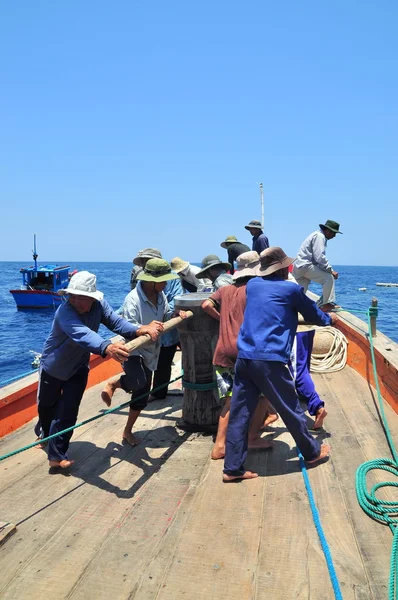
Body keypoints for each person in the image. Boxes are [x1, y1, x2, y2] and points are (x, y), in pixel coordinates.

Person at [223, 247, 337, 482]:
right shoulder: (291, 289)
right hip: (269, 361)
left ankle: (232, 469)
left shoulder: (253, 285)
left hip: (244, 358)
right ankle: (312, 452)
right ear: (285, 268)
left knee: (239, 414)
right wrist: (330, 319)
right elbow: (315, 316)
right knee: (291, 409)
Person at [36, 271, 163, 470]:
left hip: (78, 367)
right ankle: (44, 431)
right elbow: (83, 334)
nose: (75, 301)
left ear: (92, 298)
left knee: (68, 410)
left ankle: (57, 455)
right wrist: (107, 347)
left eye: (80, 298)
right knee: (46, 408)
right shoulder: (65, 312)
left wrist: (138, 330)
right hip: (54, 367)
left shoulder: (99, 306)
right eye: (72, 296)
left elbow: (116, 322)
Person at [101, 259, 186, 446]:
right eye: (163, 281)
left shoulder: (161, 295)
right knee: (139, 381)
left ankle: (127, 431)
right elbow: (127, 327)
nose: (166, 285)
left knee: (141, 394)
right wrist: (144, 327)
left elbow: (163, 318)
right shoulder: (133, 299)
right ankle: (115, 382)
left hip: (152, 349)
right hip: (133, 349)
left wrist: (174, 316)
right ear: (151, 281)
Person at [202, 251, 274, 459]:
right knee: (263, 394)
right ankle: (252, 437)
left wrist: (222, 319)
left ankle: (219, 446)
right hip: (244, 353)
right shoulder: (254, 291)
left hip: (222, 352)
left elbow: (206, 305)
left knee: (229, 402)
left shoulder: (224, 290)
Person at [292, 219, 342, 312]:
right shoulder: (320, 236)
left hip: (299, 266)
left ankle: (292, 307)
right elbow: (319, 257)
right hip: (306, 265)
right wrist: (331, 270)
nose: (334, 236)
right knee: (328, 278)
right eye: (333, 233)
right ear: (327, 230)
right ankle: (325, 304)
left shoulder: (316, 234)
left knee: (300, 290)